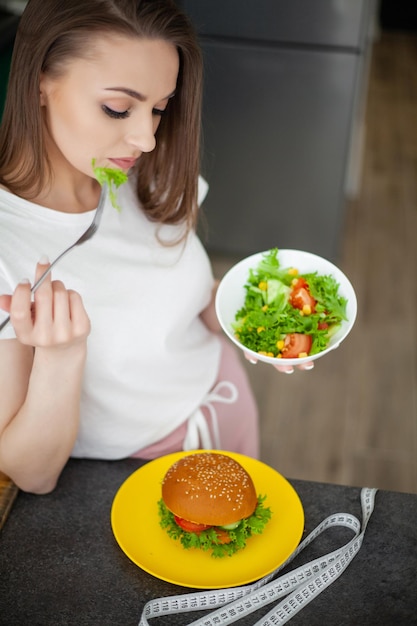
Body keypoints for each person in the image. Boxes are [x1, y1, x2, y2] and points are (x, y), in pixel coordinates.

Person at [0, 0, 310, 495]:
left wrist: (255, 322)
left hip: (225, 404)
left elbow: (189, 301)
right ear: (40, 80)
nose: (145, 137)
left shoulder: (147, 171)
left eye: (159, 108)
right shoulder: (7, 247)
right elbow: (31, 474)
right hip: (131, 474)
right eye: (118, 108)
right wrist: (61, 357)